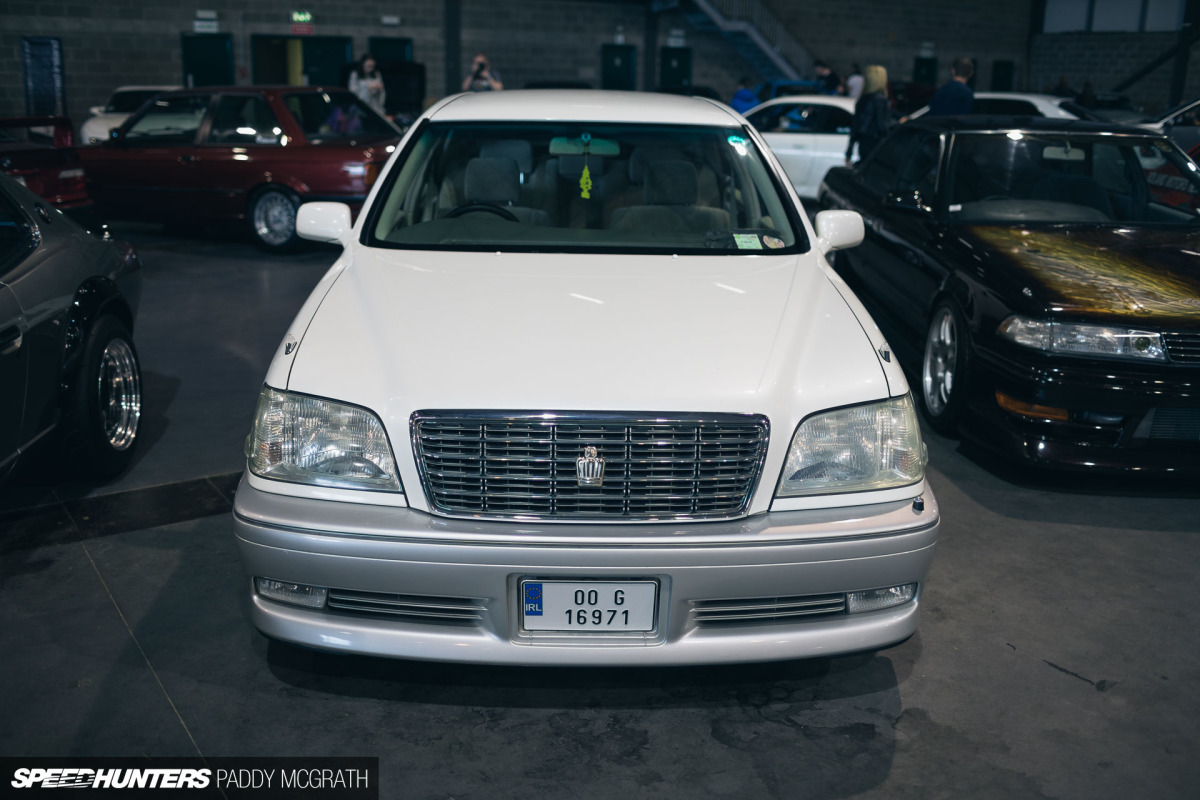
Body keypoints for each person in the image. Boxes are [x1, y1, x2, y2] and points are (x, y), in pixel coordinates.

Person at [845, 65, 891, 164]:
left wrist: (849, 151)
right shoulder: (881, 99)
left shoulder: (862, 100)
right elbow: (882, 125)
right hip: (876, 143)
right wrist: (898, 124)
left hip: (863, 143)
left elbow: (855, 126)